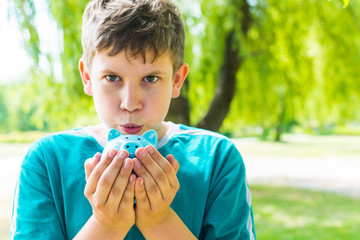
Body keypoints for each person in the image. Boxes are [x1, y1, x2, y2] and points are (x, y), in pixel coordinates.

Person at [9, 0, 256, 239]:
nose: (130, 102)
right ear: (87, 77)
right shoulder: (46, 161)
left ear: (177, 80)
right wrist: (106, 226)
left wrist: (160, 221)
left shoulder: (218, 159)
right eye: (112, 77)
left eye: (150, 79)